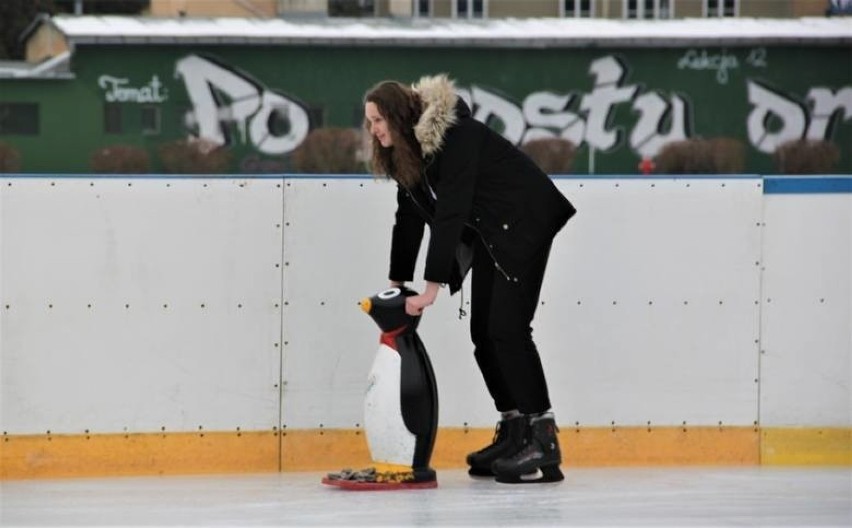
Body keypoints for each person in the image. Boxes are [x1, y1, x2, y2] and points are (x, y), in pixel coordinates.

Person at [363, 74, 576, 484]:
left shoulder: (453, 136)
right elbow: (408, 218)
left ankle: (542, 438)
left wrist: (430, 288)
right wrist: (398, 280)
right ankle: (516, 430)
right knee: (484, 332)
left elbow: (452, 212)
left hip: (524, 220)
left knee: (508, 330)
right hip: (494, 232)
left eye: (377, 120)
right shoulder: (408, 154)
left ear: (395, 115)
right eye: (369, 122)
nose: (372, 130)